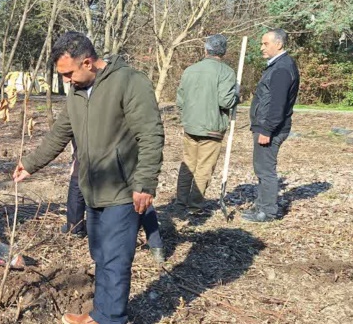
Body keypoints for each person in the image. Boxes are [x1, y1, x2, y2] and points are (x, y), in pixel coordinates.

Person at [13, 32, 164, 324]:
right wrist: (30, 163)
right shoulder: (77, 92)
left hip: (123, 189)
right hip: (92, 188)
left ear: (88, 62)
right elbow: (59, 133)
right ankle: (101, 312)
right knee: (100, 254)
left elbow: (150, 135)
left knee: (116, 258)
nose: (66, 80)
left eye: (69, 73)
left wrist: (145, 183)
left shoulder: (129, 82)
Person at [62, 140, 165, 263]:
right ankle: (156, 245)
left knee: (78, 174)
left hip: (108, 155)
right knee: (139, 197)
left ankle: (76, 228)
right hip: (123, 153)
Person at [175, 34, 238, 215]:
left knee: (188, 164)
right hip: (212, 129)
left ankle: (180, 203)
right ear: (224, 52)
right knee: (204, 167)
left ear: (205, 49)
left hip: (190, 127)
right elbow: (226, 101)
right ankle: (194, 206)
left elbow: (180, 101)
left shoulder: (190, 70)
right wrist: (236, 96)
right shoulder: (226, 72)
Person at [242, 29, 300, 222]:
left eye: (265, 44)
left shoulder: (282, 69)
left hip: (271, 129)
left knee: (265, 170)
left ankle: (267, 212)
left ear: (279, 44)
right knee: (261, 168)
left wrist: (267, 130)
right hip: (266, 127)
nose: (261, 48)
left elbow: (278, 104)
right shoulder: (277, 66)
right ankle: (261, 206)